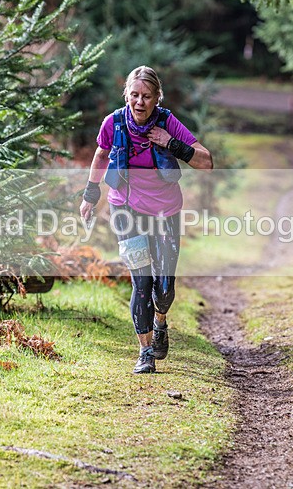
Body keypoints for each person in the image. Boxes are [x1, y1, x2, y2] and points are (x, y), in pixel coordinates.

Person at [79, 65, 214, 374]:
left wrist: (171, 143)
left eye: (147, 96)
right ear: (127, 94)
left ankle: (160, 320)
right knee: (142, 283)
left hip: (166, 211)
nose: (139, 102)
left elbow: (206, 162)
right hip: (125, 210)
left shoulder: (168, 123)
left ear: (157, 98)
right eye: (134, 95)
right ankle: (145, 352)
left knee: (164, 288)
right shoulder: (113, 123)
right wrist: (90, 194)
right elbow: (101, 155)